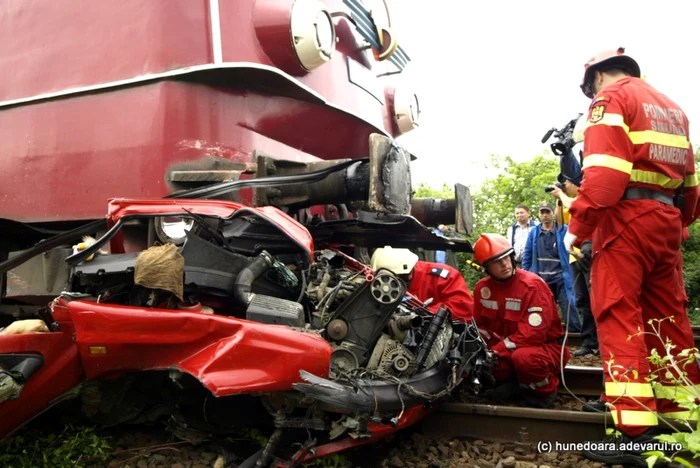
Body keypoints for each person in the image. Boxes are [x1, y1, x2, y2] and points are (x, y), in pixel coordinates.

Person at [565, 47, 699, 465]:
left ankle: (634, 434)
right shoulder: (674, 110)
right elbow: (691, 186)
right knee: (667, 322)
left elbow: (604, 177)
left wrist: (577, 228)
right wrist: (679, 221)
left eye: (590, 90)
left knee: (619, 318)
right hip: (666, 222)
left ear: (598, 78)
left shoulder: (611, 100)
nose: (590, 98)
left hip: (624, 221)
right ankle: (681, 423)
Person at [471, 233, 570, 408]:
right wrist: (480, 352)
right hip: (511, 347)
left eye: (506, 258)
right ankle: (514, 386)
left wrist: (496, 351)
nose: (504, 264)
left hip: (545, 348)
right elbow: (479, 327)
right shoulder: (482, 289)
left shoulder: (531, 286)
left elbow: (533, 335)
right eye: (496, 262)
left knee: (524, 358)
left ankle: (544, 394)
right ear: (485, 267)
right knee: (489, 362)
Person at [369, 246, 474, 321]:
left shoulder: (443, 276)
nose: (399, 281)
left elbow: (462, 308)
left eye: (404, 275)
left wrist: (423, 313)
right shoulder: (373, 283)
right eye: (393, 278)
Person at [522, 202, 580, 332]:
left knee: (569, 305)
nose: (545, 215)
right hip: (541, 279)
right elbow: (528, 254)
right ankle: (548, 334)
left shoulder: (563, 230)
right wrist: (525, 275)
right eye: (542, 212)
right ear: (538, 214)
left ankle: (575, 334)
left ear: (553, 213)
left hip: (561, 277)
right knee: (543, 308)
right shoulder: (534, 232)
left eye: (547, 212)